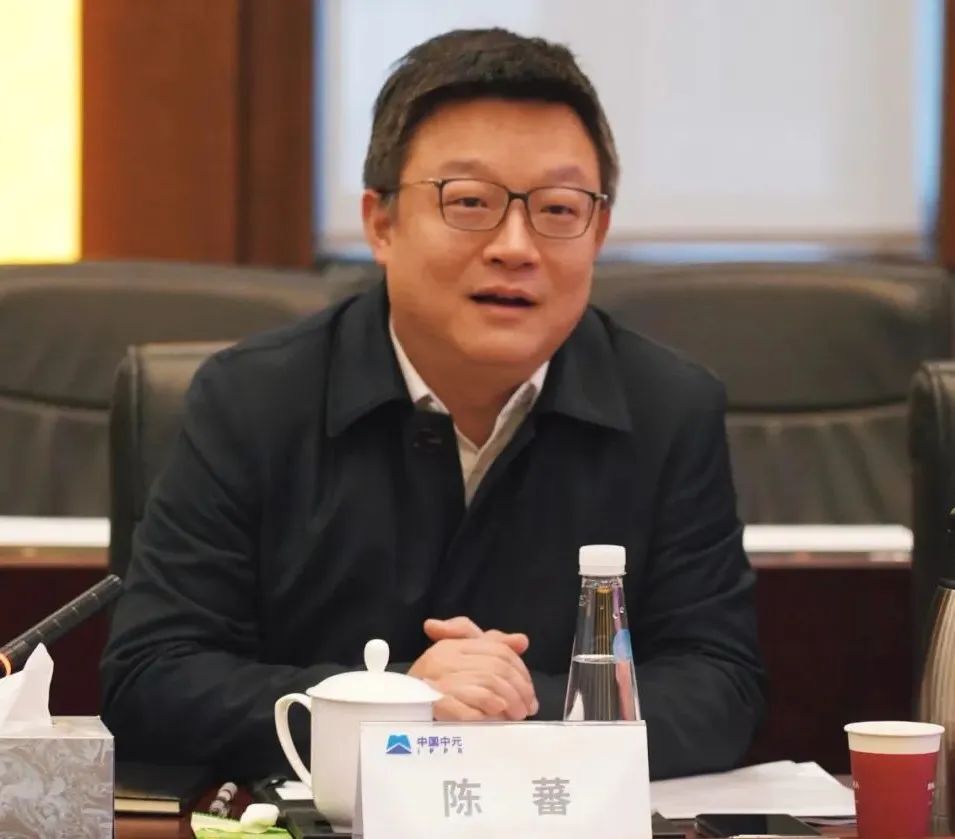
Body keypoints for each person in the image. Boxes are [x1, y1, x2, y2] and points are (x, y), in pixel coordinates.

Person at [101, 27, 766, 781]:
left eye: (557, 208)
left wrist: (509, 707)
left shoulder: (669, 408)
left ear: (598, 231)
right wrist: (395, 703)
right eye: (470, 201)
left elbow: (720, 687)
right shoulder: (251, 399)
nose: (516, 246)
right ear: (380, 223)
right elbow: (151, 678)